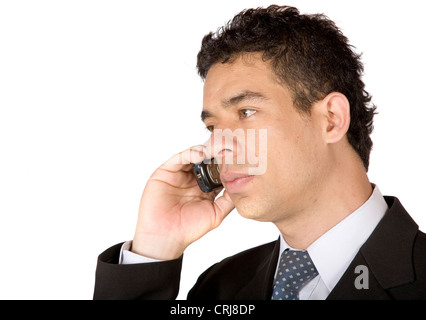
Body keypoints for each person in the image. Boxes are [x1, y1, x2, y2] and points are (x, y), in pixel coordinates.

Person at [93, 5, 426, 300]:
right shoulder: (219, 287)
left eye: (246, 112)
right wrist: (153, 250)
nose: (217, 147)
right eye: (212, 127)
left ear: (331, 119)